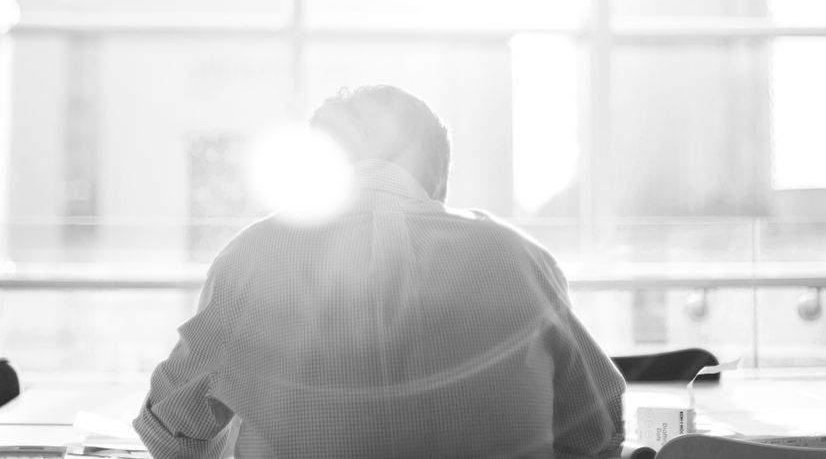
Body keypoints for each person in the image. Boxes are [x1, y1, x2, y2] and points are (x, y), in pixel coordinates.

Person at [134, 84, 625, 459]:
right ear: (439, 175)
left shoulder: (254, 257)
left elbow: (171, 430)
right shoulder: (520, 259)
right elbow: (598, 428)